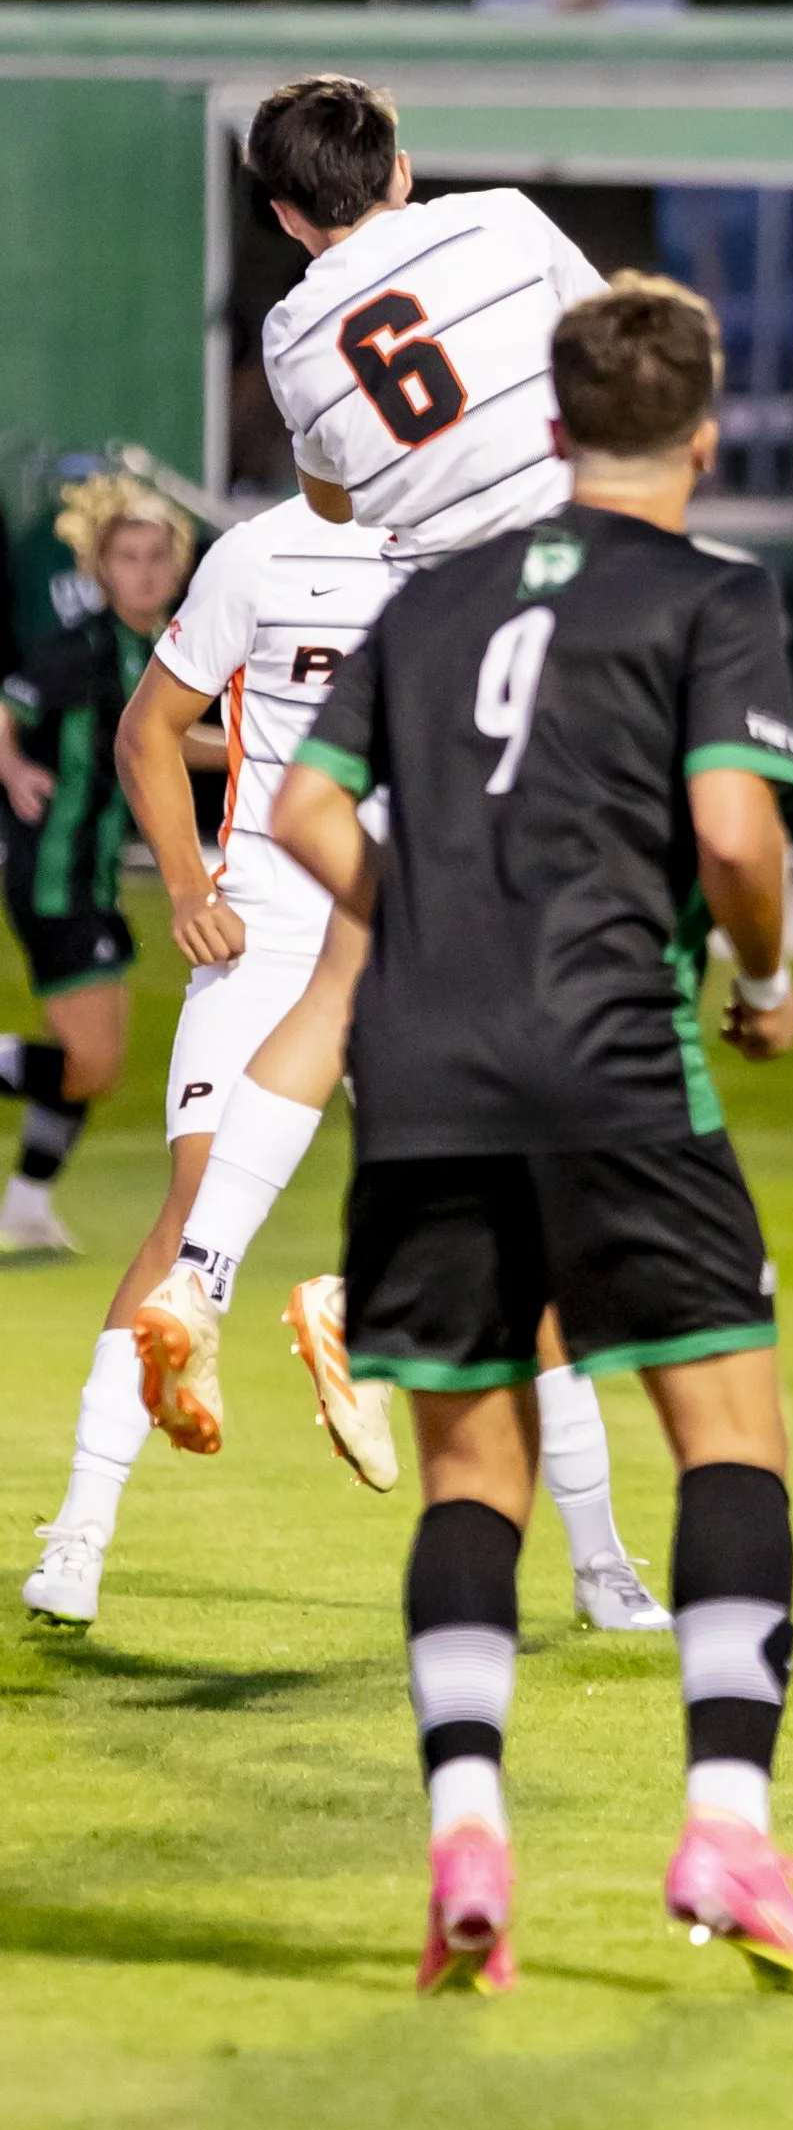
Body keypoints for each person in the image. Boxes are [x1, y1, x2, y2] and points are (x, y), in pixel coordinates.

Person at [267, 274, 793, 1993]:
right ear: (709, 427)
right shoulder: (712, 594)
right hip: (615, 1061)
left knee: (469, 1471)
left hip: (428, 1068)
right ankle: (726, 1833)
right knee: (731, 1446)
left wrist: (432, 910)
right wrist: (765, 969)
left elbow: (300, 806)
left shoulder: (430, 598)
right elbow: (737, 836)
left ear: (551, 424)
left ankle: (469, 1833)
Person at [128, 73, 667, 1631]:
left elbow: (339, 490)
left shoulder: (295, 339)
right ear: (405, 167)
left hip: (424, 657)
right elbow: (617, 363)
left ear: (287, 217)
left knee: (365, 985)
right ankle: (370, 1299)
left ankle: (208, 1270)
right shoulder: (500, 223)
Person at [20, 488, 399, 1627]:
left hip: (408, 922)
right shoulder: (255, 554)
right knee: (189, 1205)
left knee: (485, 1195)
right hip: (268, 926)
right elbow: (149, 729)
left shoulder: (459, 533)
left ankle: (600, 1564)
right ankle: (80, 1532)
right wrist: (187, 887)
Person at [0, 475, 193, 1253]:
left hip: (93, 881)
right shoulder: (81, 649)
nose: (143, 572)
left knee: (94, 1066)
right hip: (54, 878)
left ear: (177, 567)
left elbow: (165, 741)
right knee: (91, 1060)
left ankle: (25, 1206)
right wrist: (12, 768)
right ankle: (26, 1203)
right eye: (128, 557)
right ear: (100, 569)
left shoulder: (155, 651)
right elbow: (5, 709)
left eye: (156, 557)